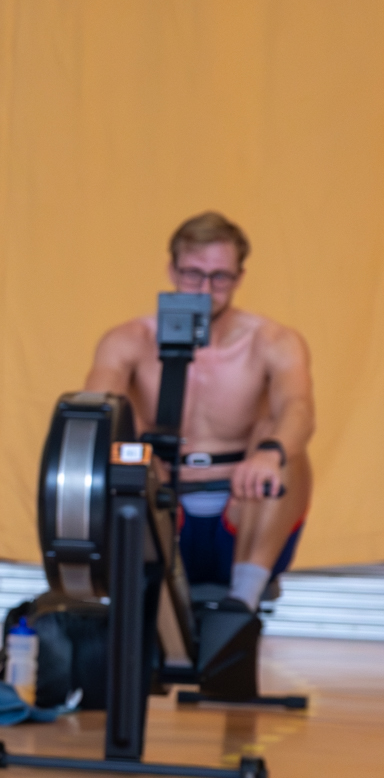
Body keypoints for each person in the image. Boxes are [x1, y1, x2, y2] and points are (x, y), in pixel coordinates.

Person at [80, 212, 313, 606]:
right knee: (116, 428)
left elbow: (299, 408)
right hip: (159, 510)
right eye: (193, 274)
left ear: (239, 277)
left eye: (219, 277)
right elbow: (97, 413)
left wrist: (269, 454)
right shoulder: (129, 340)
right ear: (172, 269)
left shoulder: (272, 340)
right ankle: (136, 598)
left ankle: (243, 600)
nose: (205, 289)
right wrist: (139, 460)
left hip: (243, 515)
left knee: (285, 443)